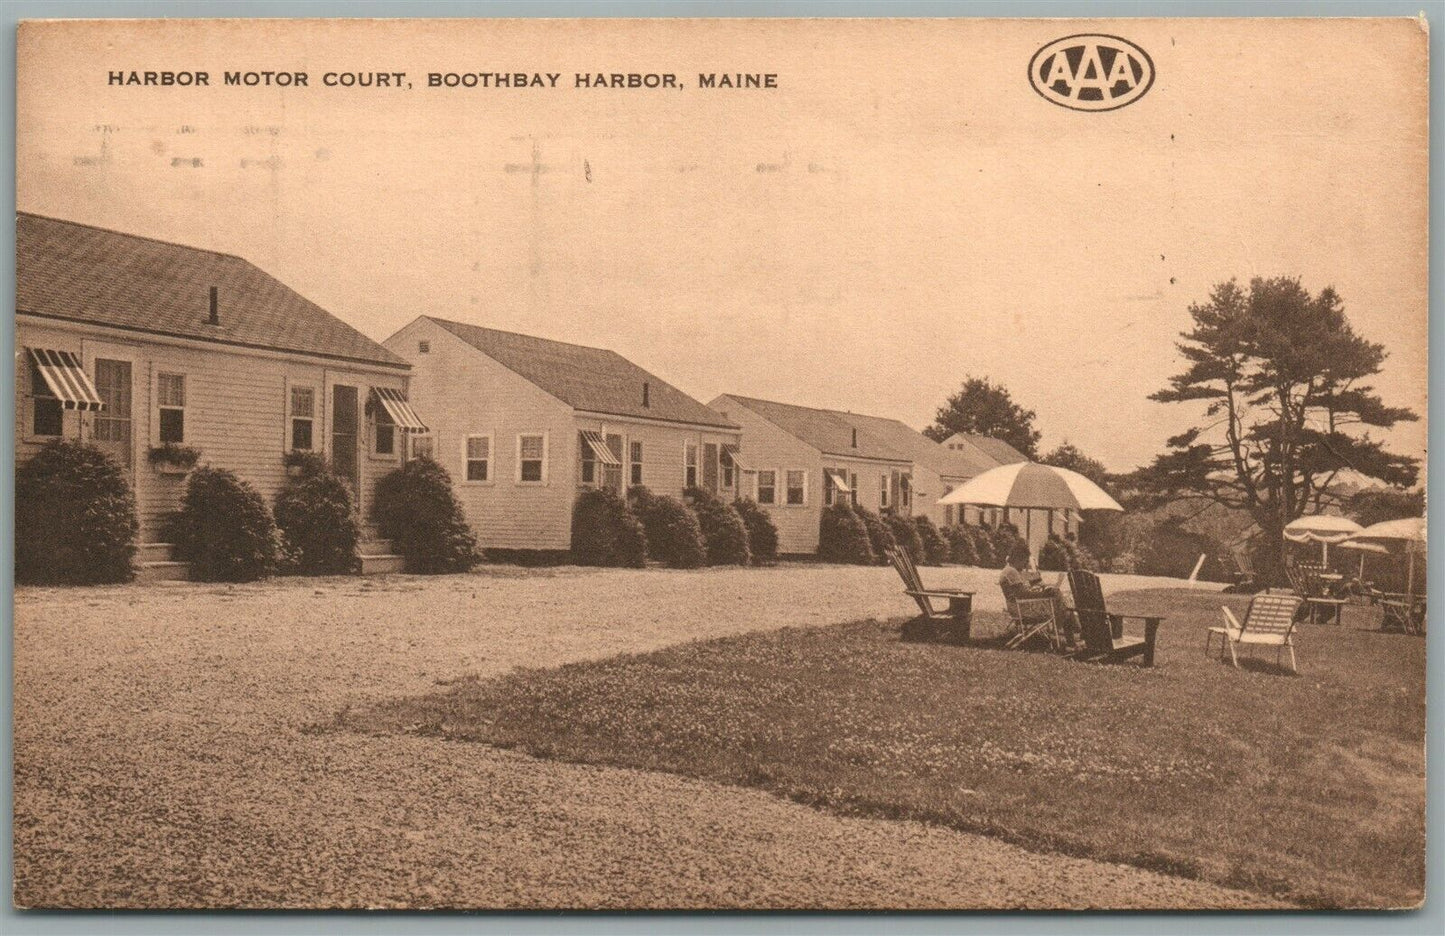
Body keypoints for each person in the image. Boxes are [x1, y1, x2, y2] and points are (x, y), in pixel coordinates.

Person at [999, 544, 1077, 645]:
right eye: (1025, 561)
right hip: (1024, 610)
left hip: (1018, 608)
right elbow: (1023, 594)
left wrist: (1040, 588)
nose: (1025, 565)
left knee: (1062, 605)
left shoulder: (1009, 570)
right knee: (1064, 608)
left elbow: (1022, 591)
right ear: (1018, 558)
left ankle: (1068, 628)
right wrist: (1043, 594)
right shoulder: (1011, 572)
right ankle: (1072, 635)